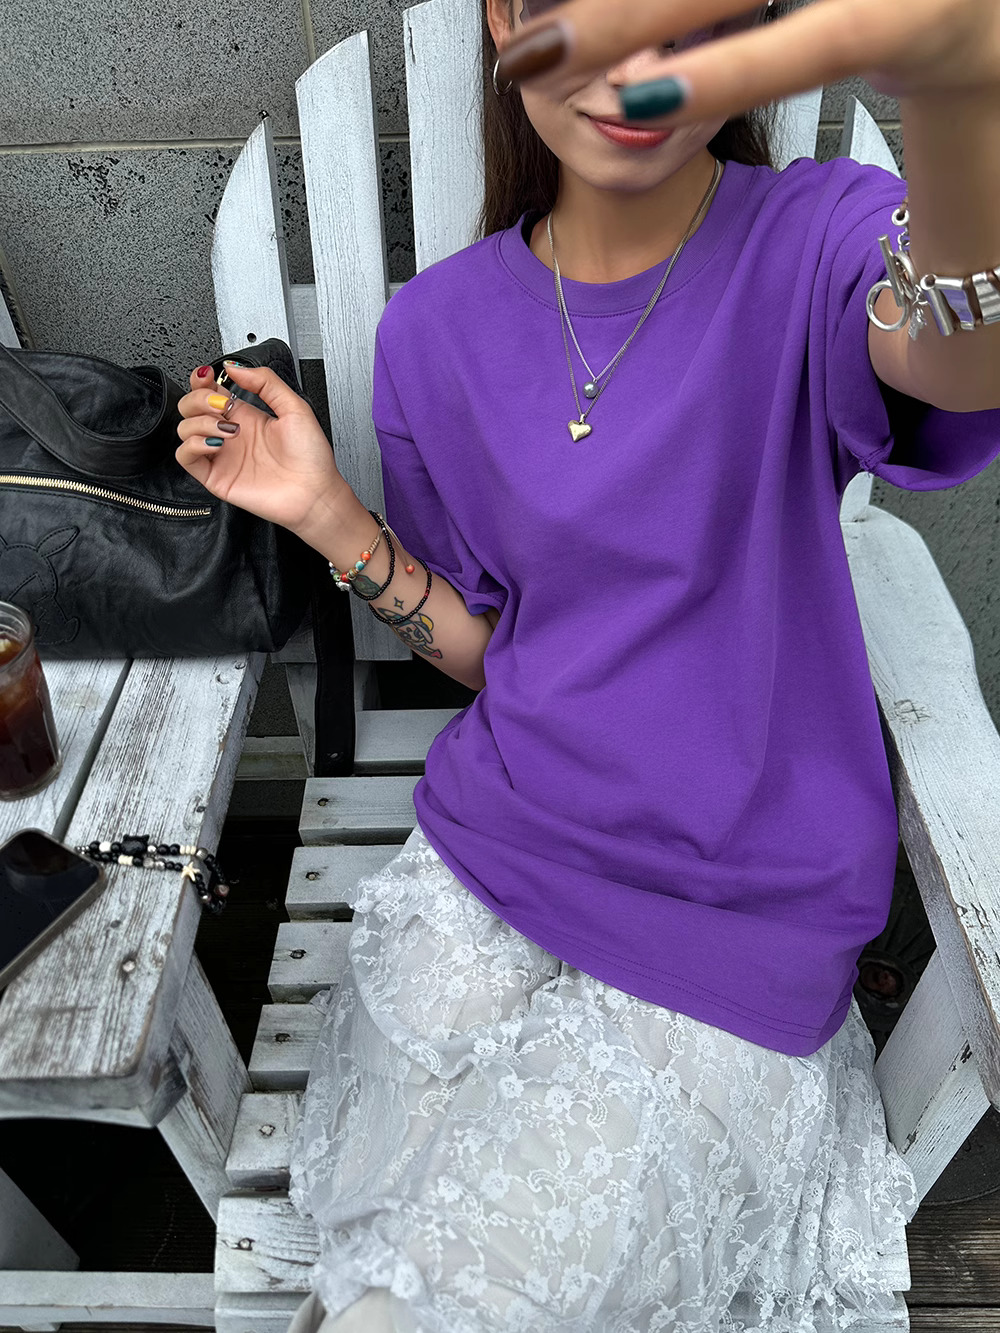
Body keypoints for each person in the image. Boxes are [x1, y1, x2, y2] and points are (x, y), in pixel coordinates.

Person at [176, 0, 1000, 1327]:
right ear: (510, 19)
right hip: (492, 860)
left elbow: (954, 351)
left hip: (737, 906)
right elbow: (499, 651)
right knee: (383, 1249)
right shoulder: (435, 333)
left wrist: (963, 102)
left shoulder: (816, 239)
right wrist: (327, 516)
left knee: (446, 1304)